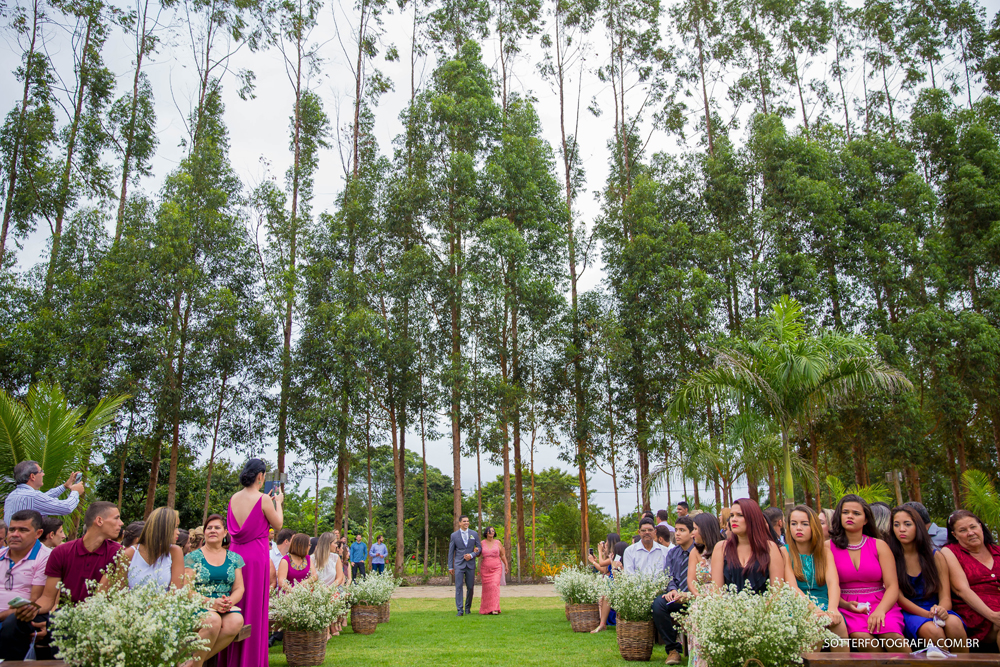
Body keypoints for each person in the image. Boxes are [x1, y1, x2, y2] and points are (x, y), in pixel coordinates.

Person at [225, 458, 284, 667]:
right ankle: (251, 659)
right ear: (260, 476)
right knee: (254, 607)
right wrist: (279, 503)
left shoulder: (233, 498)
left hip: (234, 554)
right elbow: (278, 525)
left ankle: (231, 657)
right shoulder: (264, 499)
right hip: (256, 558)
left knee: (236, 602)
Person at [829, 493, 905, 650]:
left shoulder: (879, 545)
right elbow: (827, 585)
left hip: (881, 603)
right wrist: (844, 604)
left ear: (865, 520)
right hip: (847, 606)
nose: (850, 516)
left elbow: (892, 586)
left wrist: (880, 611)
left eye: (856, 513)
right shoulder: (827, 547)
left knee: (894, 638)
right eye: (845, 512)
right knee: (863, 639)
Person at [887, 505, 967, 651]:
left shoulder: (935, 556)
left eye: (907, 524)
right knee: (933, 631)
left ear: (918, 527)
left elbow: (945, 597)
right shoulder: (890, 557)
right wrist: (927, 614)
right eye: (896, 525)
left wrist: (941, 609)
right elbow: (899, 598)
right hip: (910, 611)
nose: (901, 529)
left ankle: (965, 661)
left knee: (954, 624)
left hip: (936, 608)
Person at [183, 514, 245, 667]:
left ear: (225, 533)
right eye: (209, 528)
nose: (212, 530)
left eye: (217, 528)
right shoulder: (192, 557)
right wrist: (211, 603)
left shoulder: (234, 558)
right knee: (213, 620)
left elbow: (239, 588)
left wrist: (229, 602)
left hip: (224, 606)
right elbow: (187, 590)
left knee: (236, 621)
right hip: (198, 605)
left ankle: (190, 664)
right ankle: (197, 665)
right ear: (204, 533)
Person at [783, 505, 849, 650]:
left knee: (839, 625)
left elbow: (833, 583)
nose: (798, 528)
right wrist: (814, 609)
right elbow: (792, 587)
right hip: (798, 604)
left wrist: (832, 609)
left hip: (824, 603)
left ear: (814, 527)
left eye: (804, 524)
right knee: (816, 624)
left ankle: (843, 660)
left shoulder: (825, 553)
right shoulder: (784, 552)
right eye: (793, 523)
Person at [940, 509, 1000, 646]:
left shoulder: (997, 551)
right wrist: (992, 615)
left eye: (973, 527)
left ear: (980, 526)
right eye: (963, 530)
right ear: (954, 535)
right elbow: (962, 590)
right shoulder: (950, 551)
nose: (970, 533)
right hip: (976, 612)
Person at [0, 510, 51, 661]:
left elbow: (33, 602)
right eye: (12, 529)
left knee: (13, 623)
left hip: (21, 616)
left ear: (38, 533)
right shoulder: (1, 554)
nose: (15, 534)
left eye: (23, 530)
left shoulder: (45, 557)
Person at [653, 515, 696, 665]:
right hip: (676, 597)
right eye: (676, 530)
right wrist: (672, 590)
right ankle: (673, 649)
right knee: (658, 604)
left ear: (692, 533)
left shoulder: (699, 551)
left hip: (694, 597)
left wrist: (688, 594)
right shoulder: (672, 553)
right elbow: (668, 575)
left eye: (682, 530)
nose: (677, 533)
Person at [112, 506, 185, 591]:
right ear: (163, 528)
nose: (178, 532)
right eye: (175, 527)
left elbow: (176, 590)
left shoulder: (175, 552)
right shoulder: (129, 554)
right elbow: (120, 591)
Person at [3, 461, 84, 525]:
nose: (43, 474)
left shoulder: (12, 495)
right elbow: (67, 507)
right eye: (41, 471)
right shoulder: (33, 496)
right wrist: (75, 492)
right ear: (32, 476)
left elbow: (44, 497)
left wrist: (65, 486)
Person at [447, 515, 481, 616]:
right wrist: (450, 566)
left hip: (470, 564)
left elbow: (479, 548)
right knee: (458, 587)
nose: (466, 523)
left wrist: (472, 555)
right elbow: (451, 552)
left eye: (467, 521)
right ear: (459, 523)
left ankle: (467, 608)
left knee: (470, 587)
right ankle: (460, 610)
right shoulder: (454, 535)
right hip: (459, 564)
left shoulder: (474, 534)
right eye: (464, 521)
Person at [587, 533, 620, 634]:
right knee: (602, 597)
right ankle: (602, 623)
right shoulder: (611, 555)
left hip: (614, 583)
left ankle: (602, 624)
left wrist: (599, 551)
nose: (604, 544)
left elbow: (602, 564)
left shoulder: (616, 555)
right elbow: (604, 570)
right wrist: (597, 560)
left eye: (606, 542)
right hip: (609, 583)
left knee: (605, 596)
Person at [478, 526, 508, 615]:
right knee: (487, 588)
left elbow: (502, 555)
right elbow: (478, 554)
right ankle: (486, 609)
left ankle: (495, 608)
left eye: (493, 531)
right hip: (485, 568)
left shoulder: (498, 543)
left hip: (496, 568)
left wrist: (506, 565)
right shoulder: (482, 543)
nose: (492, 532)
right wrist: (475, 550)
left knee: (494, 586)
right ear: (486, 533)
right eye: (490, 531)